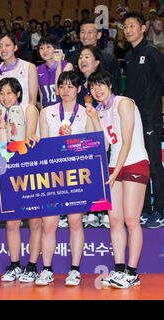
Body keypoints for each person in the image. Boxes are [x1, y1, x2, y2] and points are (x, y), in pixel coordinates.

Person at [85, 69, 149, 288]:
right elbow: (103, 144)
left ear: (110, 84)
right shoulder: (101, 110)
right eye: (93, 87)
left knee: (131, 219)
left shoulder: (124, 103)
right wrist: (94, 119)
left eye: (100, 84)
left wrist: (114, 172)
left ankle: (132, 273)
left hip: (134, 163)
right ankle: (119, 268)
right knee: (114, 220)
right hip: (113, 166)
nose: (97, 89)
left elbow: (127, 141)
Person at [37, 71, 94, 286]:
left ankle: (75, 269)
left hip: (76, 175)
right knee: (49, 224)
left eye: (71, 86)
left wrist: (73, 140)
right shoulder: (47, 112)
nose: (66, 91)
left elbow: (91, 145)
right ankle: (47, 269)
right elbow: (42, 145)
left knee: (75, 222)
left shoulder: (87, 113)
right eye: (62, 86)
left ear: (79, 89)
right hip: (51, 176)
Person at [0, 78, 41, 283]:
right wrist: (1, 127)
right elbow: (1, 146)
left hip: (31, 169)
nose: (5, 97)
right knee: (12, 224)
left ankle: (31, 266)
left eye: (9, 93)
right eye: (1, 93)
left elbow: (28, 138)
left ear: (18, 94)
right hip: (9, 169)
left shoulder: (29, 108)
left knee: (34, 223)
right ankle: (14, 265)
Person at [123, 11, 164, 228]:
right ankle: (145, 209)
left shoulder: (153, 53)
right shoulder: (129, 57)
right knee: (141, 165)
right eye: (125, 27)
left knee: (155, 165)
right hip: (134, 120)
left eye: (132, 26)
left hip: (151, 118)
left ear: (142, 28)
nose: (128, 30)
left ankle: (160, 209)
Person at [67, 18, 121, 96]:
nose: (86, 36)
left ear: (99, 35)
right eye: (82, 32)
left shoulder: (110, 60)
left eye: (90, 32)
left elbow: (116, 88)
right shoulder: (72, 60)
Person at [0, 33, 38, 111]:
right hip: (5, 117)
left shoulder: (29, 67)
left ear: (15, 47)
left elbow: (33, 100)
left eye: (7, 45)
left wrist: (24, 116)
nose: (3, 49)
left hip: (24, 115)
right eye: (0, 46)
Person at [36, 34, 73, 109]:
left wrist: (58, 64)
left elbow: (58, 91)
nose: (45, 50)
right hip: (47, 111)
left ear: (56, 49)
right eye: (41, 48)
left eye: (48, 47)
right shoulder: (38, 70)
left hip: (64, 110)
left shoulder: (67, 66)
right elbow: (42, 95)